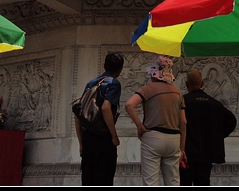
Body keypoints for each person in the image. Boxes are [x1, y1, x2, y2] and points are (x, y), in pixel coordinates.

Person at [125, 55, 187, 186]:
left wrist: (139, 126)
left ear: (155, 74)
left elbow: (129, 105)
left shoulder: (147, 89)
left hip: (153, 137)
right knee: (173, 181)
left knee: (151, 182)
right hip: (174, 138)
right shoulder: (177, 93)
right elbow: (183, 122)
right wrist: (182, 148)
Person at [75, 52, 124, 187]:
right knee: (104, 179)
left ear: (104, 66)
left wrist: (81, 143)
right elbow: (106, 108)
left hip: (88, 137)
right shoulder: (113, 83)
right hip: (103, 138)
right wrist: (114, 136)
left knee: (88, 179)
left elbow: (78, 113)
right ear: (120, 69)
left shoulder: (91, 83)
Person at [180, 70, 237, 186]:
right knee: (203, 182)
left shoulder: (182, 102)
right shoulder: (214, 103)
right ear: (202, 84)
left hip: (187, 152)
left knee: (184, 182)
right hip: (207, 153)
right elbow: (231, 121)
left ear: (187, 84)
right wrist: (217, 135)